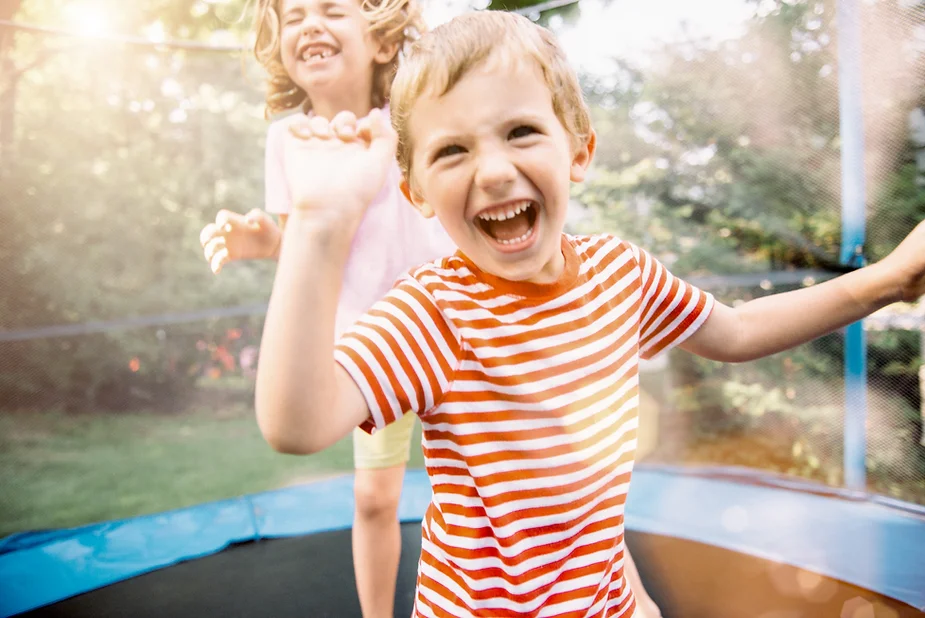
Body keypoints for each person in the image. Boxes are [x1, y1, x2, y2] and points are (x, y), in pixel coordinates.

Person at [256, 9, 925, 616]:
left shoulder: (619, 274)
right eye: (451, 150)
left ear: (577, 152)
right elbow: (297, 423)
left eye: (520, 132)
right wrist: (319, 224)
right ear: (417, 191)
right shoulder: (435, 314)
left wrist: (884, 282)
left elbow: (738, 329)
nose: (492, 171)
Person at [198, 1, 454, 616]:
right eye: (293, 16)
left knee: (496, 477)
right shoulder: (286, 139)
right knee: (372, 498)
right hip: (372, 345)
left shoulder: (413, 120)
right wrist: (268, 244)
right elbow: (310, 254)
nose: (310, 23)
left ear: (383, 42)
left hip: (450, 326)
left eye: (332, 9)